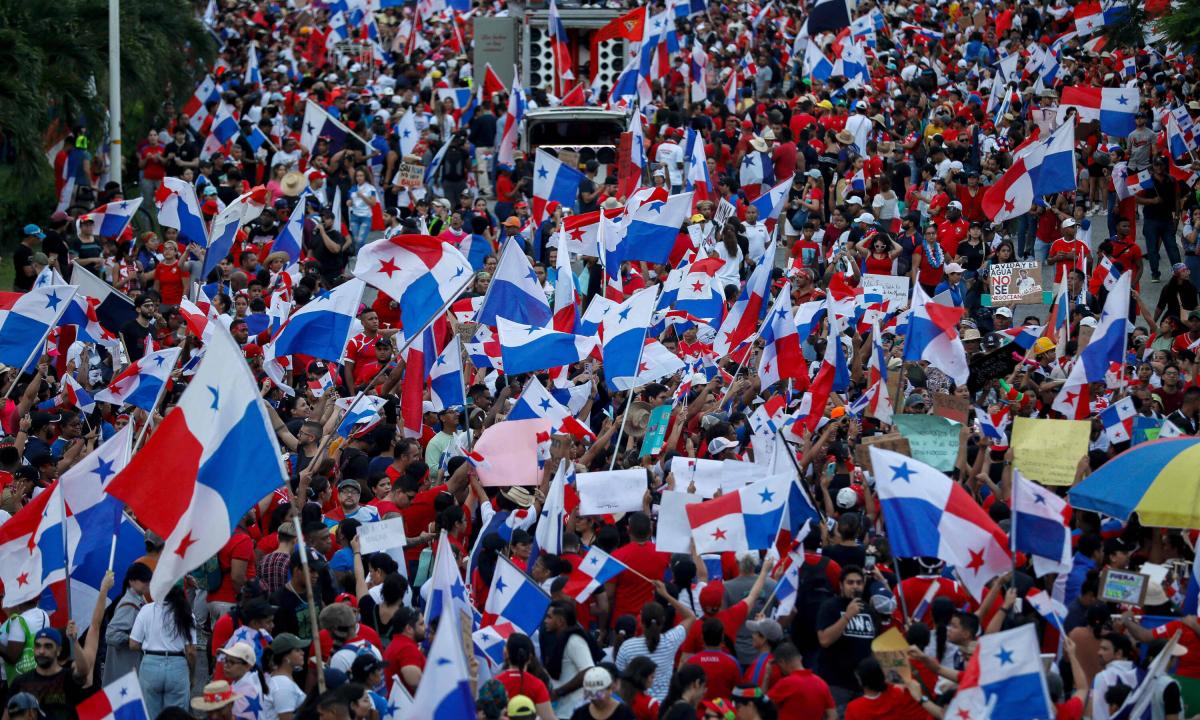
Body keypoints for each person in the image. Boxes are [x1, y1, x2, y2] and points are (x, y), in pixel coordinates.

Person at [131, 583, 198, 718]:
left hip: (150, 665)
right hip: (177, 667)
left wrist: (148, 647)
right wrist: (192, 675)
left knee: (149, 715)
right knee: (177, 717)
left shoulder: (146, 610)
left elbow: (133, 644)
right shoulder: (187, 614)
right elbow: (191, 651)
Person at [816, 565, 879, 707]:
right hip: (837, 684)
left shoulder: (868, 610)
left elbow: (875, 646)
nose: (855, 587)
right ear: (841, 585)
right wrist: (847, 617)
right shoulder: (830, 606)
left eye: (859, 583)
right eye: (850, 583)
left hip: (863, 685)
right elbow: (824, 640)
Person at [569, 666, 635, 720]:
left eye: (599, 694)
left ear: (610, 689)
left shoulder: (624, 713)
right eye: (591, 694)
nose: (596, 699)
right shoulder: (580, 713)